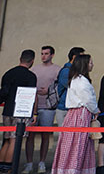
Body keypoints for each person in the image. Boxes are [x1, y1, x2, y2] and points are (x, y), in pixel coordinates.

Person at [50, 54, 98, 174]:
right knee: (77, 145)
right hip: (80, 115)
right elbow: (88, 100)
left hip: (77, 114)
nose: (92, 64)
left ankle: (73, 168)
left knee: (76, 144)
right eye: (90, 62)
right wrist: (96, 110)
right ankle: (73, 169)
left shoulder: (77, 79)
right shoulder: (81, 81)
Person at [24, 46, 61, 174]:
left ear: (52, 55)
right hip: (33, 106)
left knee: (46, 135)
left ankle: (42, 163)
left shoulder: (58, 70)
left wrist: (48, 91)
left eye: (46, 54)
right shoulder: (34, 69)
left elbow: (60, 87)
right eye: (42, 54)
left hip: (48, 107)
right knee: (29, 136)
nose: (43, 56)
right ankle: (29, 164)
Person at [0, 50, 37, 173]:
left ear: (20, 58)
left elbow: (3, 92)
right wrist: (34, 113)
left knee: (6, 139)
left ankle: (1, 166)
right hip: (21, 111)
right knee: (14, 140)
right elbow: (32, 96)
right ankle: (9, 167)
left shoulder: (8, 73)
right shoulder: (31, 76)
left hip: (7, 110)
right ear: (32, 61)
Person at [56, 47, 85, 128]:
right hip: (64, 108)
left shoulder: (77, 71)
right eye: (81, 57)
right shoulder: (66, 71)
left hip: (72, 109)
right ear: (74, 57)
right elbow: (74, 88)